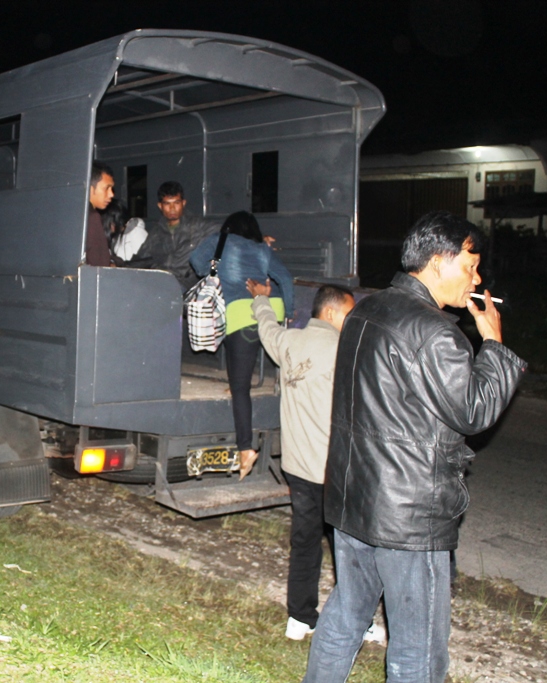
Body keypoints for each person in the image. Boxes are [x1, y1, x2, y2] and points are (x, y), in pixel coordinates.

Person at [303, 210, 527, 683]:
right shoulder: (436, 331)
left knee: (346, 616)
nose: (477, 277)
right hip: (408, 515)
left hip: (353, 498)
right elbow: (474, 412)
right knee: (418, 650)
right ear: (440, 262)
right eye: (470, 265)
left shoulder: (364, 310)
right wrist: (495, 345)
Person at [245, 279, 363, 643]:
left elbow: (267, 328)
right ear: (329, 312)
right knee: (353, 550)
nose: (353, 320)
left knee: (306, 541)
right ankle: (359, 620)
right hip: (333, 470)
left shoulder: (290, 342)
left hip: (298, 468)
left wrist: (261, 301)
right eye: (349, 313)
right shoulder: (345, 351)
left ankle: (300, 618)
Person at [188, 211, 294, 470]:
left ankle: (246, 448)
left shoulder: (219, 240)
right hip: (270, 311)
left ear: (228, 227)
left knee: (240, 390)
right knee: (247, 365)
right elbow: (286, 278)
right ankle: (241, 377)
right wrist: (288, 315)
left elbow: (197, 263)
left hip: (240, 315)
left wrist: (214, 265)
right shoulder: (262, 249)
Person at [136, 181, 218, 290]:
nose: (172, 208)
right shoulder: (156, 232)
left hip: (187, 285)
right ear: (160, 206)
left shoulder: (198, 226)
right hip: (160, 282)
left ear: (183, 203)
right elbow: (142, 259)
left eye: (176, 203)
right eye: (167, 204)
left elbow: (226, 234)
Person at [86, 162, 115, 266]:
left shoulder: (75, 213)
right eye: (106, 188)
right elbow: (100, 264)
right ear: (90, 188)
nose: (111, 194)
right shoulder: (92, 217)